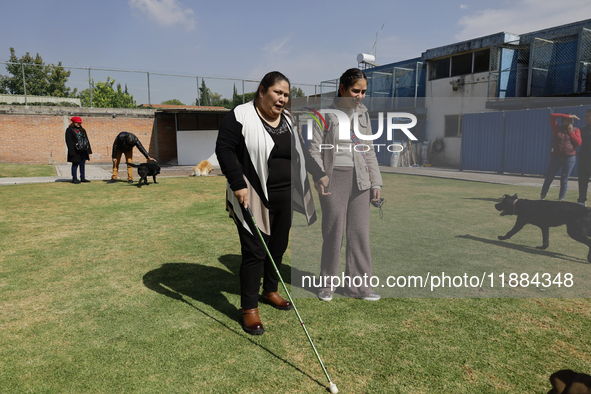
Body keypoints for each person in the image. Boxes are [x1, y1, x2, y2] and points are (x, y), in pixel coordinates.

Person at [215, 71, 329, 335]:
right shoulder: (240, 115)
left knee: (278, 246)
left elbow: (300, 149)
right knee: (255, 251)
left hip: (286, 195)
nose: (283, 99)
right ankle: (249, 309)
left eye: (287, 95)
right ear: (262, 91)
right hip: (251, 194)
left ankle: (270, 291)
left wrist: (319, 173)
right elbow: (224, 149)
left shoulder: (289, 119)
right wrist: (237, 183)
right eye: (278, 92)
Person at [309, 68, 383, 302]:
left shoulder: (364, 114)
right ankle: (327, 285)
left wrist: (376, 181)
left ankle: (359, 288)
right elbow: (314, 150)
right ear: (342, 88)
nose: (359, 96)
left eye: (363, 92)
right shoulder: (323, 114)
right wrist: (320, 176)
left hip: (360, 178)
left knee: (359, 233)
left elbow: (368, 149)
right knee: (334, 232)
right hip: (334, 177)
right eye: (355, 91)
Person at [540, 113, 581, 201]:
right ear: (563, 121)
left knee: (564, 179)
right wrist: (567, 116)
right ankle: (542, 197)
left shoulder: (575, 130)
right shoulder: (556, 128)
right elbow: (552, 116)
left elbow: (578, 143)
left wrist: (571, 132)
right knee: (549, 177)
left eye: (572, 120)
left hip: (569, 158)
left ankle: (561, 200)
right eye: (569, 120)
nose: (571, 122)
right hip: (555, 157)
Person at [65, 116, 92, 184]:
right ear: (73, 122)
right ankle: (74, 178)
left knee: (82, 165)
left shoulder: (82, 130)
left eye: (80, 123)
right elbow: (69, 141)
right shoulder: (69, 130)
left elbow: (86, 140)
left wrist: (88, 150)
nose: (79, 124)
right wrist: (71, 151)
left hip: (83, 150)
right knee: (75, 165)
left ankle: (82, 178)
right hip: (75, 150)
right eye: (77, 123)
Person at [577, 109, 591, 206]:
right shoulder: (583, 129)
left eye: (587, 116)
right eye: (585, 116)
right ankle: (581, 202)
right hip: (583, 159)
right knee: (582, 181)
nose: (585, 118)